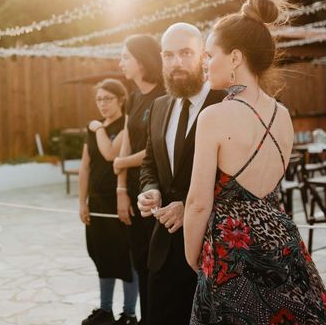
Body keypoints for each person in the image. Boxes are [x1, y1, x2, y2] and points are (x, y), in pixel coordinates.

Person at [184, 0, 326, 324]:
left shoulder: (213, 117)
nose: (205, 63)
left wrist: (192, 255)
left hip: (232, 251)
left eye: (210, 54)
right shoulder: (283, 115)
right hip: (283, 244)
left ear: (236, 58)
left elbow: (198, 202)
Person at [137, 24, 226, 325]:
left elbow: (236, 176)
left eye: (185, 53)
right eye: (169, 55)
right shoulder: (159, 107)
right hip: (163, 249)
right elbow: (150, 162)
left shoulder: (226, 103)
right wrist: (150, 189)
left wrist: (188, 207)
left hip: (213, 250)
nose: (176, 62)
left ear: (203, 56)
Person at [113, 34, 165, 325]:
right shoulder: (132, 98)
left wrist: (122, 162)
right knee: (139, 261)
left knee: (156, 263)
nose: (120, 63)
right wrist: (121, 188)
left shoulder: (164, 95)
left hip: (154, 189)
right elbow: (127, 141)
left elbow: (157, 147)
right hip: (131, 189)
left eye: (125, 57)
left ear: (142, 60)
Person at [79, 79, 137, 325]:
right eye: (99, 99)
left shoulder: (126, 125)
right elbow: (85, 167)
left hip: (119, 202)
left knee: (125, 259)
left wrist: (99, 128)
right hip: (97, 203)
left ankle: (129, 314)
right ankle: (105, 310)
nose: (102, 104)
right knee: (102, 256)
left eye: (107, 99)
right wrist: (83, 202)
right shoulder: (91, 129)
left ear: (121, 100)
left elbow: (111, 153)